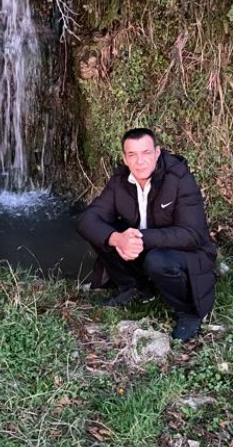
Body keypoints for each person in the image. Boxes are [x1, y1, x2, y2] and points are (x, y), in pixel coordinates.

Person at [77, 128, 217, 341]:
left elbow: (193, 235)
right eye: (132, 155)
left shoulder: (179, 178)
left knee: (157, 260)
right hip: (146, 247)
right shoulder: (120, 180)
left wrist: (139, 239)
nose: (140, 161)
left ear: (157, 153)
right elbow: (87, 220)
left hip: (186, 253)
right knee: (103, 231)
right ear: (125, 159)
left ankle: (186, 311)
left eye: (146, 153)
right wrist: (118, 239)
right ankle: (135, 287)